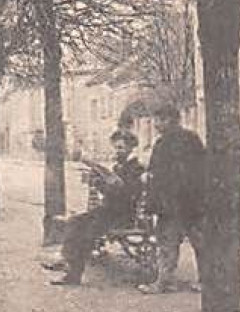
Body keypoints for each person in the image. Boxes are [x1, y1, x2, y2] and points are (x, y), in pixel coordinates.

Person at [46, 128, 145, 287]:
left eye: (121, 148)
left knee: (87, 232)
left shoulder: (135, 168)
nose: (117, 151)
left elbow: (127, 195)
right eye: (116, 147)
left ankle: (73, 275)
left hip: (122, 216)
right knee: (74, 221)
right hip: (107, 212)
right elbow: (110, 192)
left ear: (130, 148)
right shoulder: (120, 167)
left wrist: (105, 184)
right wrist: (98, 181)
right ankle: (67, 260)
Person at [139, 101, 206, 294]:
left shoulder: (164, 143)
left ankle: (164, 282)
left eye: (160, 120)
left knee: (168, 243)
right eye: (155, 120)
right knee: (199, 243)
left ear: (172, 120)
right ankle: (204, 281)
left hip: (173, 203)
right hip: (192, 202)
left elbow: (158, 174)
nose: (157, 124)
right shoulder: (192, 139)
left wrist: (151, 187)